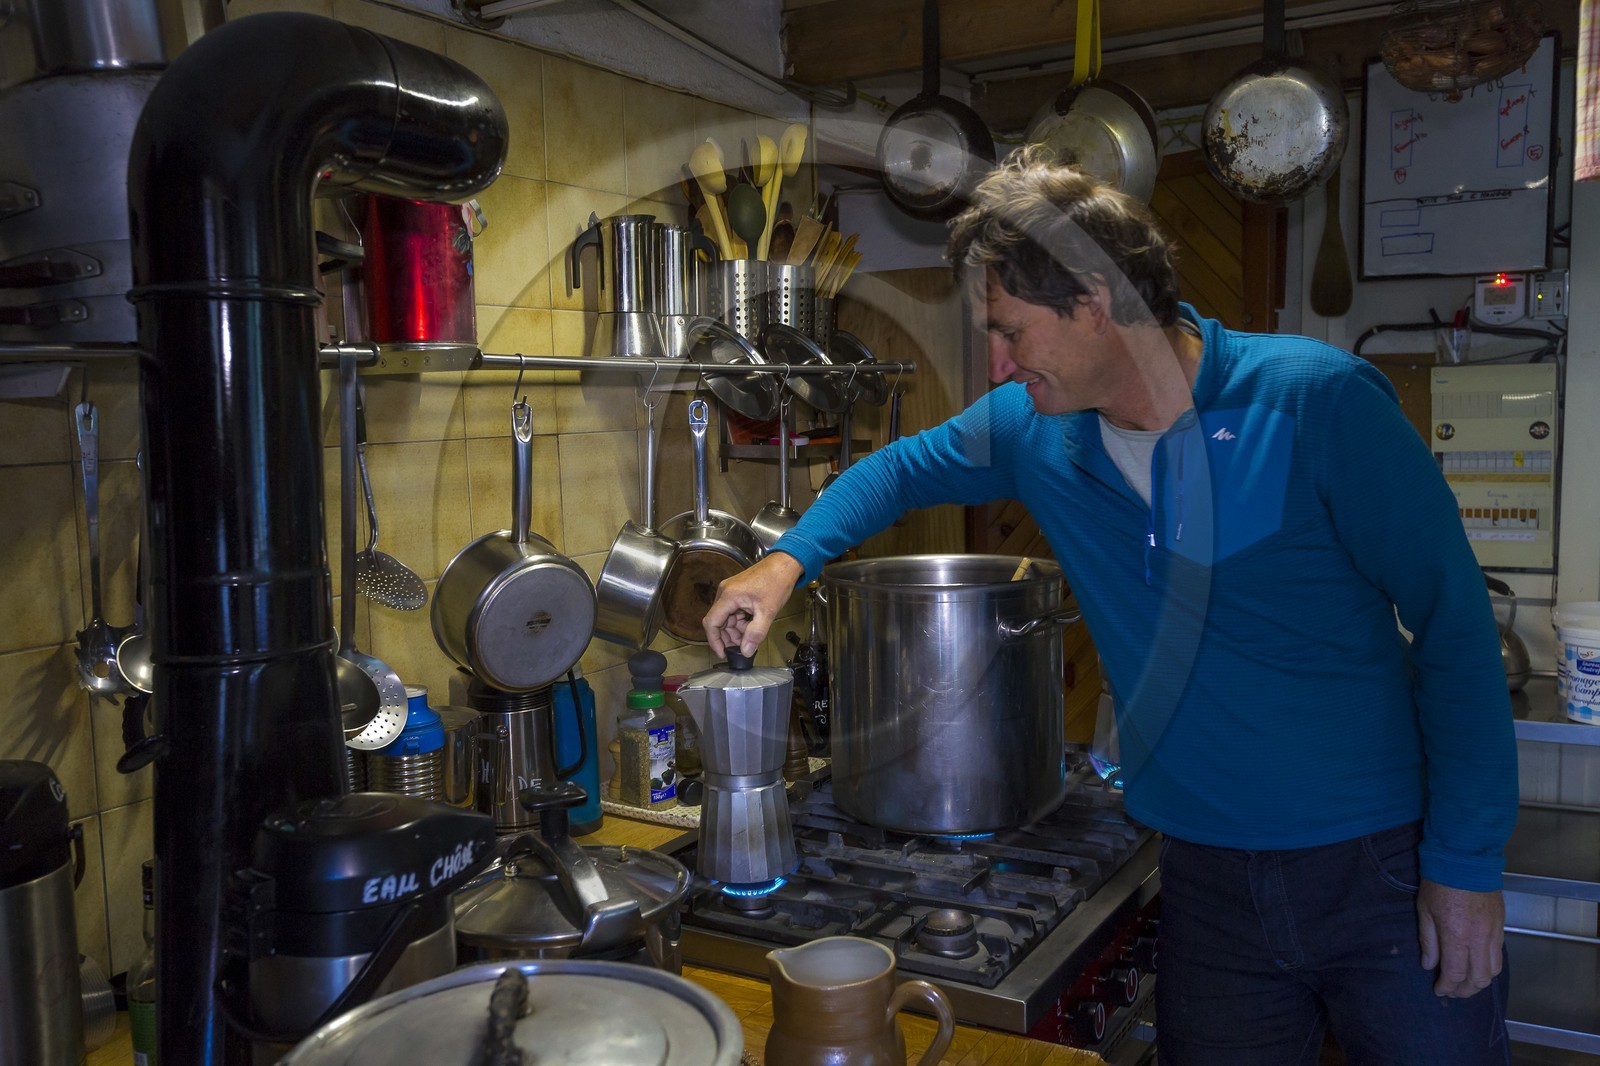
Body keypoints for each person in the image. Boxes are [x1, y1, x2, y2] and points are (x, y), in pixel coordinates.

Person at [703, 146, 1518, 1064]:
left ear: (1095, 303)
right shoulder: (1035, 430)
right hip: (1205, 878)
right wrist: (783, 563)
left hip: (1379, 866)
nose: (999, 364)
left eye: (1010, 331)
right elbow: (897, 469)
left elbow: (1456, 629)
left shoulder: (1316, 404)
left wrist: (1466, 865)